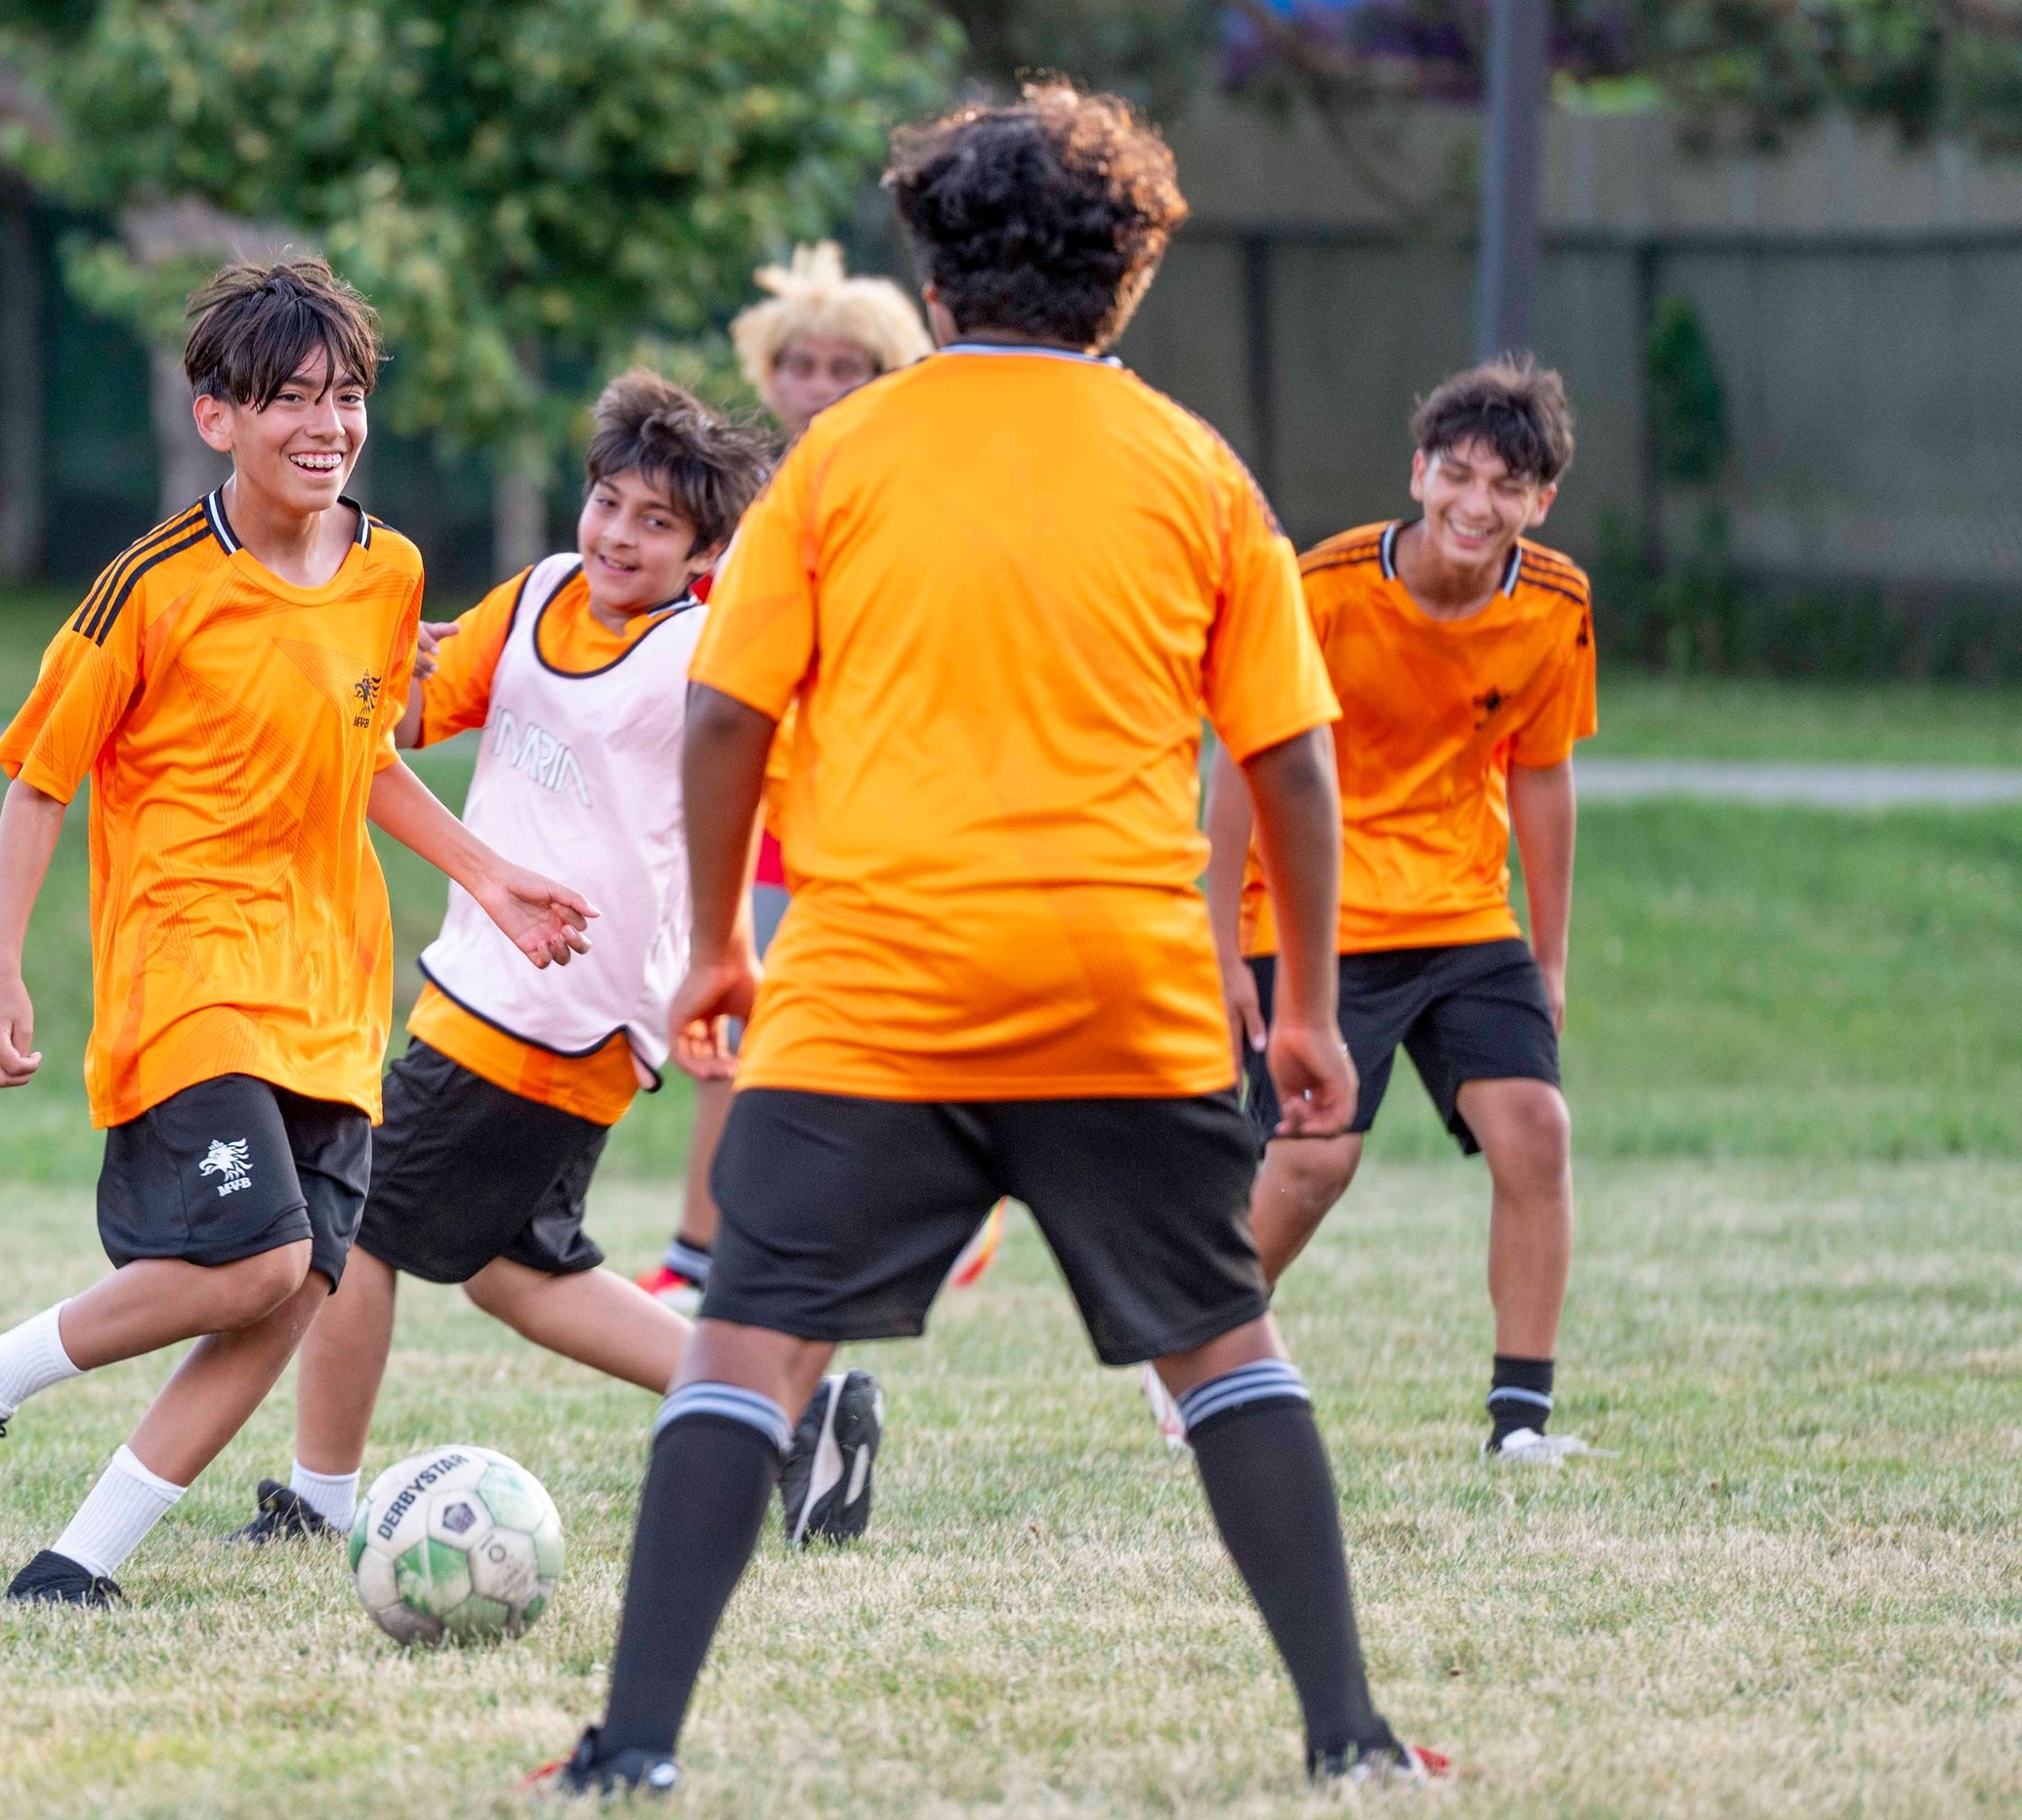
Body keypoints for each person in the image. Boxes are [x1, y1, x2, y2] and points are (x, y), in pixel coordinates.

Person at [545, 84, 1440, 1795]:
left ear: (934, 284)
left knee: (742, 1343)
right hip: (1123, 988)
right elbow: (1296, 761)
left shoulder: (842, 462)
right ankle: (1353, 1737)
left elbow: (728, 714)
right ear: (1129, 281)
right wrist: (1308, 1003)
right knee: (1227, 1343)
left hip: (879, 986)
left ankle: (633, 1750)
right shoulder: (1195, 468)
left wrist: (722, 938)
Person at [0, 259, 596, 1606]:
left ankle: (76, 1564)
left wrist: (488, 874)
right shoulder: (149, 584)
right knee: (257, 1253)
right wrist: (1, 974)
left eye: (347, 398)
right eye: (289, 402)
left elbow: (365, 756)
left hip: (330, 978)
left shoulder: (391, 567)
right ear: (217, 416)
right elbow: (40, 777)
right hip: (187, 959)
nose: (325, 427)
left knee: (296, 1290)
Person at [234, 372, 880, 1552]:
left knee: (358, 1230)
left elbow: (809, 794)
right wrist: (347, 642)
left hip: (566, 1001)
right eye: (607, 501)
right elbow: (413, 709)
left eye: (656, 523)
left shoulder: (708, 655)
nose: (619, 535)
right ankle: (792, 1408)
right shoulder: (538, 595)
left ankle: (315, 1503)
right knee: (514, 1273)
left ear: (703, 556)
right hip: (483, 981)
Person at [1199, 358, 1600, 1466]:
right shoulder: (1319, 588)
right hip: (1307, 909)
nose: (1477, 504)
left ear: (1540, 502)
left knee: (1536, 1129)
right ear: (1417, 472)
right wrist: (1221, 935)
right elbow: (1239, 753)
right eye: (1456, 475)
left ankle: (1519, 1425)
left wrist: (1550, 958)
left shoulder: (1555, 603)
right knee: (1316, 1159)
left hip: (1462, 910)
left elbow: (1542, 775)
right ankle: (1197, 1350)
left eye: (1506, 486)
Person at [638, 240, 997, 1317]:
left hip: (872, 805)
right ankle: (697, 1257)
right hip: (754, 806)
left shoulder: (912, 490)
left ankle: (960, 1207)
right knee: (732, 1032)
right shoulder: (736, 495)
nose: (817, 385)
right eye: (802, 363)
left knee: (860, 1033)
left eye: (845, 367)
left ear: (886, 374)